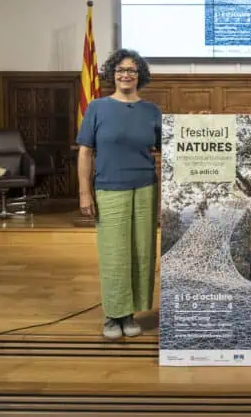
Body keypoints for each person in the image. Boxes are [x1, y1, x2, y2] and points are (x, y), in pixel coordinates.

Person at [76, 48, 162, 340]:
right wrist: (84, 193)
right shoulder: (98, 108)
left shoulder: (151, 111)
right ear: (113, 75)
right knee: (114, 254)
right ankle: (114, 315)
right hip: (109, 187)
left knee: (142, 251)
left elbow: (168, 147)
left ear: (140, 76)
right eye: (121, 70)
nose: (126, 75)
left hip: (145, 187)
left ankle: (133, 312)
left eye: (132, 70)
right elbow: (85, 152)